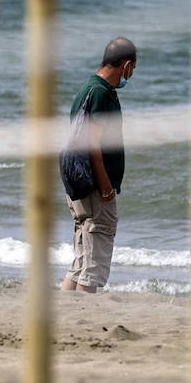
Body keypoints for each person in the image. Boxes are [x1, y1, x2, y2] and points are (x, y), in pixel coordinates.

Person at [61, 37, 137, 293]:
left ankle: (69, 313)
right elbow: (92, 145)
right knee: (95, 263)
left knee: (81, 260)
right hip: (94, 186)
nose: (131, 75)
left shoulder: (87, 89)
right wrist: (105, 187)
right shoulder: (102, 93)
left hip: (77, 184)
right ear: (126, 65)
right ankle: (85, 319)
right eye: (133, 69)